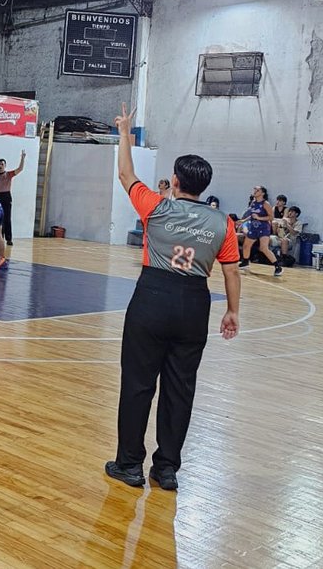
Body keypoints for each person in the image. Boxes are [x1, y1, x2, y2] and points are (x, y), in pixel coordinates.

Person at [105, 103, 241, 493]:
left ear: (175, 182)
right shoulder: (223, 222)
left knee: (137, 383)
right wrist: (232, 311)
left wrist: (125, 132)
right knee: (180, 388)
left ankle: (129, 464)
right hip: (194, 303)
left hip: (152, 297)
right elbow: (231, 271)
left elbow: (125, 173)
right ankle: (166, 470)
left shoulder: (156, 207)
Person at [239, 185, 282, 276]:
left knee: (263, 248)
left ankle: (278, 267)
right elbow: (252, 215)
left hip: (263, 228)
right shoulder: (253, 203)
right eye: (254, 189)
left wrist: (259, 217)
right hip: (253, 227)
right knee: (246, 245)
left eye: (257, 190)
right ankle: (245, 262)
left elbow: (271, 217)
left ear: (262, 193)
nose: (254, 191)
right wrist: (243, 220)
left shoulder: (265, 204)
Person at [0, 150, 26, 251]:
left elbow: (20, 169)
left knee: (7, 218)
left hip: (6, 196)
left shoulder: (9, 174)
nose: (0, 165)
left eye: (2, 164)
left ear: (5, 165)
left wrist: (22, 158)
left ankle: (9, 239)